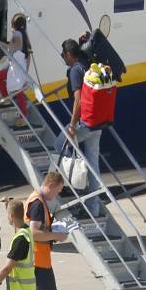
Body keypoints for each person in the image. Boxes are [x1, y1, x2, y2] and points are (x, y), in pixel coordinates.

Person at [54, 39, 104, 216]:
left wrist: (72, 125)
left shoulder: (75, 70)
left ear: (69, 54)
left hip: (83, 122)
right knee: (93, 165)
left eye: (63, 55)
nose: (63, 58)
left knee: (59, 144)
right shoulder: (86, 63)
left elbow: (79, 99)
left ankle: (74, 188)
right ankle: (93, 208)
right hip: (97, 122)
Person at [25, 171, 70, 290]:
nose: (57, 194)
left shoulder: (36, 198)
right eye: (57, 191)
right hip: (38, 260)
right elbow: (34, 233)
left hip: (37, 258)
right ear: (50, 186)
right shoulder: (38, 204)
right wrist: (57, 236)